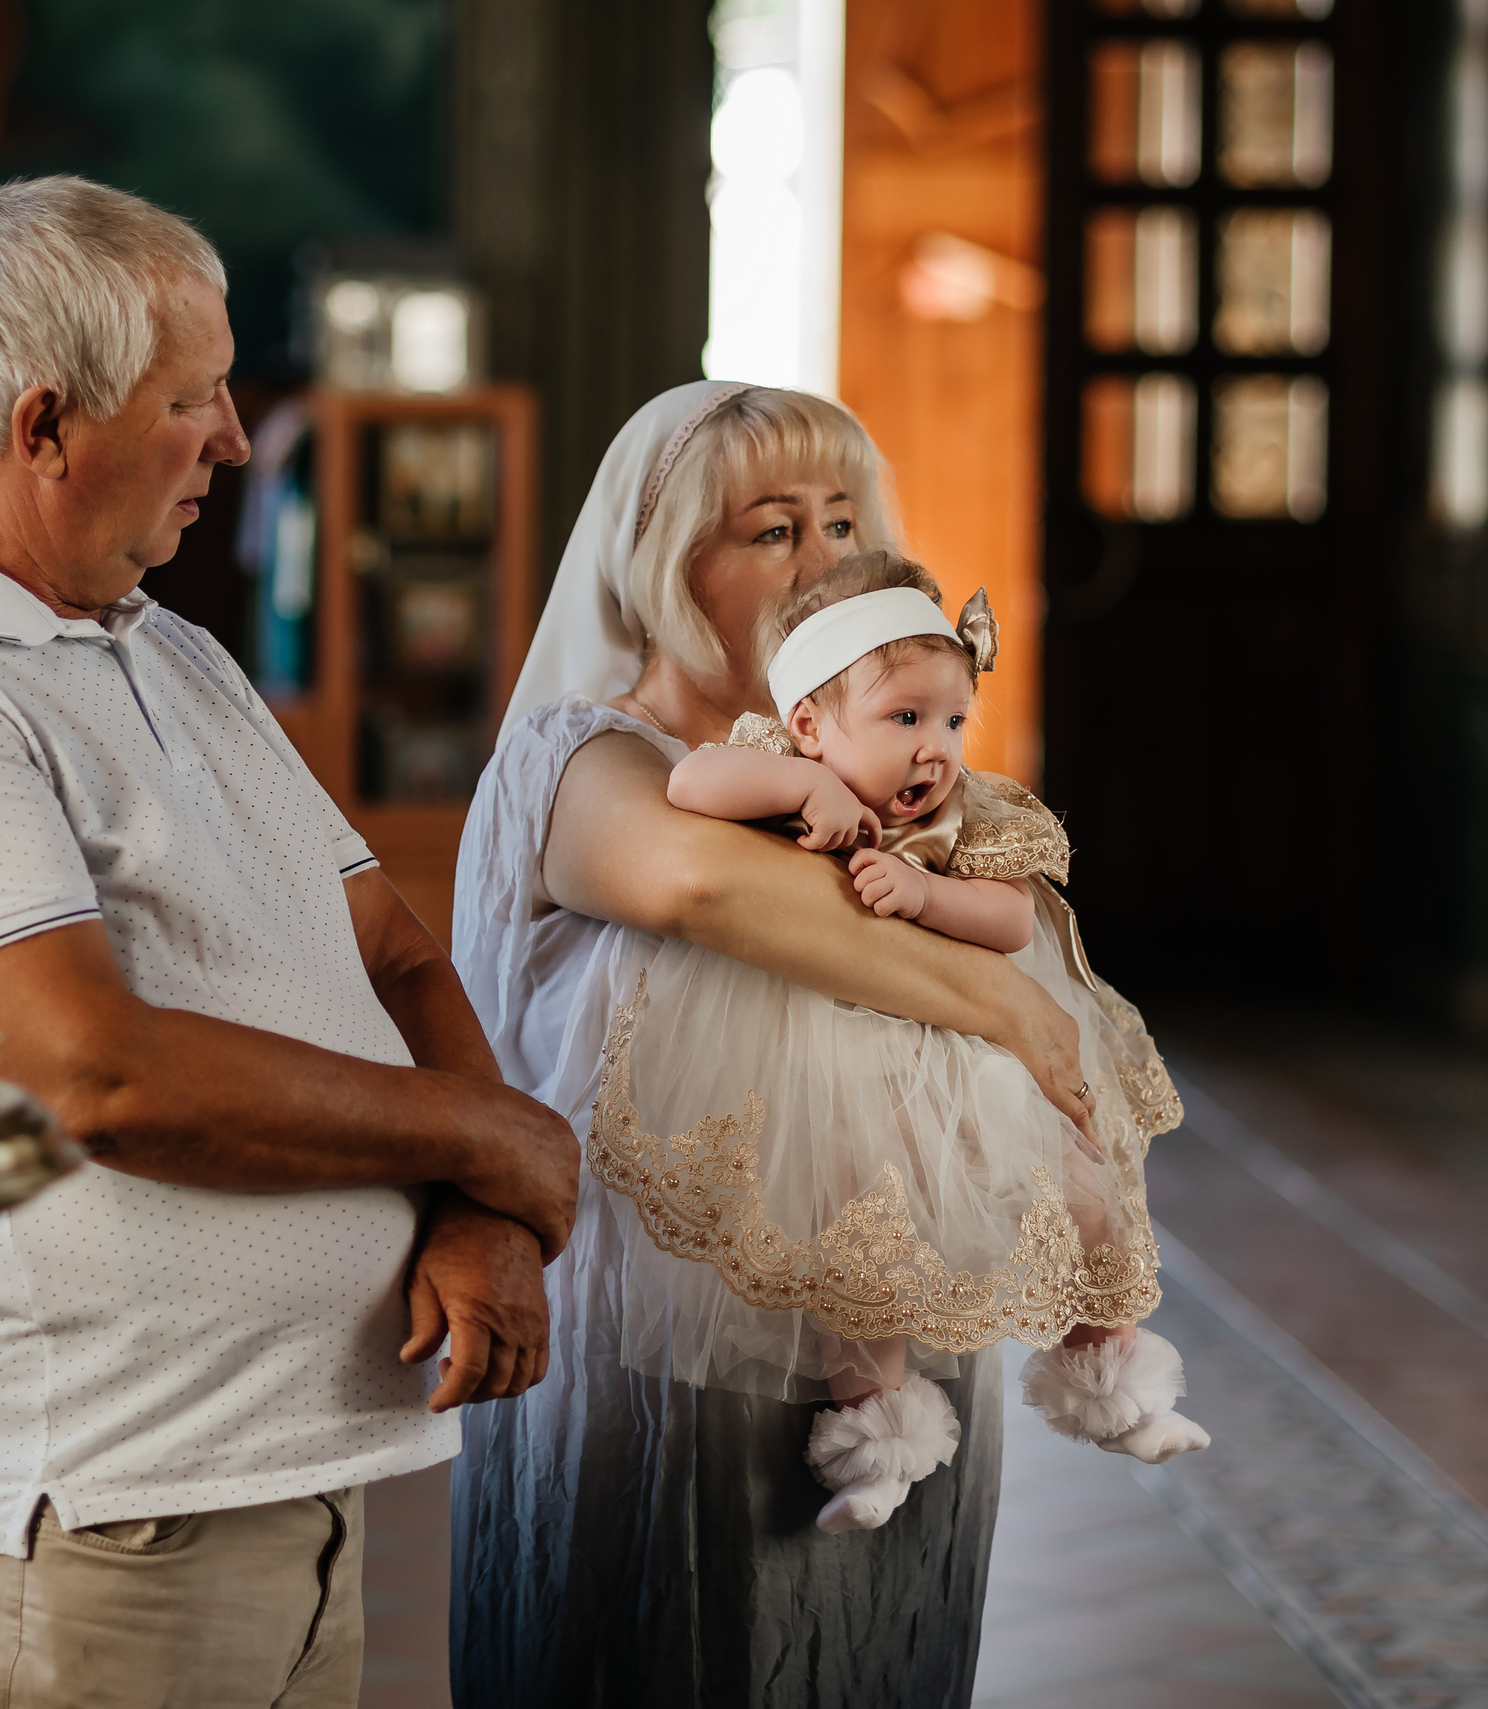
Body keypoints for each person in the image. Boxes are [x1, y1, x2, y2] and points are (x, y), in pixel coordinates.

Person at [0, 175, 579, 1709]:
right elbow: (97, 1075)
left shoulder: (169, 649)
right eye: (194, 397)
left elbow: (391, 954)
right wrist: (487, 1128)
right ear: (46, 424)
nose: (240, 440)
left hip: (287, 1483)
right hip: (90, 1521)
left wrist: (480, 1207)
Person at [449, 381, 1096, 1708]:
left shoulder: (894, 774)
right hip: (664, 1349)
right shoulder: (585, 760)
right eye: (770, 530)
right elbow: (713, 889)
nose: (825, 564)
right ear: (659, 563)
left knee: (878, 1651)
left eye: (845, 522)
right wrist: (1010, 1006)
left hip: (895, 1318)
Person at [649, 546, 1208, 1536]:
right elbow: (690, 781)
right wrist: (804, 791)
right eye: (904, 719)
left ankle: (1115, 1383)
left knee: (1082, 1190)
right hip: (837, 1068)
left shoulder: (964, 813)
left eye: (951, 718)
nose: (935, 748)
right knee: (863, 1253)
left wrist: (924, 890)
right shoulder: (778, 764)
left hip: (974, 1057)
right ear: (811, 725)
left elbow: (1006, 921)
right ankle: (876, 1447)